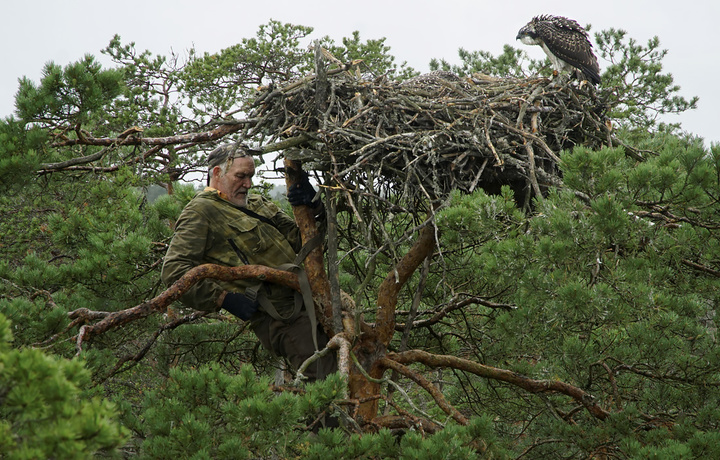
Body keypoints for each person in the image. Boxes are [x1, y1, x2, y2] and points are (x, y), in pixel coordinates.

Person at [161, 143, 336, 383]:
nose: (247, 184)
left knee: (356, 361)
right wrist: (223, 299)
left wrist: (312, 205)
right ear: (216, 174)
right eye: (240, 176)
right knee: (326, 384)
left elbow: (303, 243)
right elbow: (174, 272)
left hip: (314, 299)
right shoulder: (201, 211)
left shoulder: (256, 203)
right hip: (283, 318)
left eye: (250, 176)